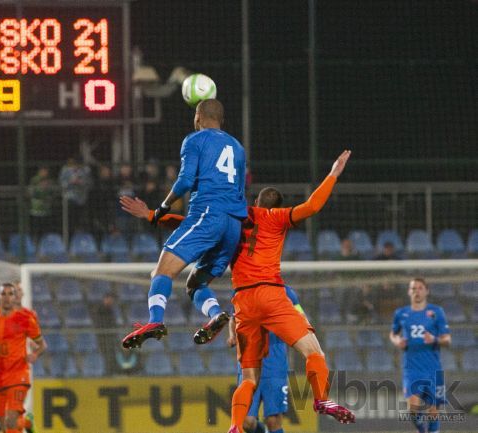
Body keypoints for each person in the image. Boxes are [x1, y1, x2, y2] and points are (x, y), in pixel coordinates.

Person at [120, 150, 356, 429]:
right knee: (313, 351)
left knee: (248, 379)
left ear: (255, 202)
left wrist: (150, 214)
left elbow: (189, 224)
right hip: (272, 294)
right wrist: (333, 174)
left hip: (243, 302)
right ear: (278, 208)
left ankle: (234, 427)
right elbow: (313, 206)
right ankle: (321, 399)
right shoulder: (279, 220)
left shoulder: (237, 218)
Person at [121, 99, 248, 349]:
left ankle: (155, 321)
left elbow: (185, 180)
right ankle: (214, 315)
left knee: (161, 271)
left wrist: (162, 207)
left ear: (198, 117)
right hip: (233, 224)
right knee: (195, 283)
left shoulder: (194, 140)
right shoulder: (238, 147)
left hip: (208, 214)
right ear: (221, 120)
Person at [227, 286, 306, 433]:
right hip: (248, 366)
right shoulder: (242, 289)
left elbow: (302, 318)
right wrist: (232, 336)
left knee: (273, 421)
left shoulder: (286, 292)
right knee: (246, 422)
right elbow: (233, 318)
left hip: (275, 365)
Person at [0, 283, 46, 433]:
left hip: (19, 372)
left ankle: (22, 422)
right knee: (4, 427)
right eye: (4, 294)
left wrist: (34, 353)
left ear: (16, 297)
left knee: (10, 419)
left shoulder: (27, 317)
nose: (7, 298)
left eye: (11, 294)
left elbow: (40, 343)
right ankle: (26, 423)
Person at [389, 278, 451, 433]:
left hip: (433, 368)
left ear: (427, 291)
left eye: (420, 288)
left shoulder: (436, 312)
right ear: (409, 292)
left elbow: (447, 339)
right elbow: (393, 334)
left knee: (433, 412)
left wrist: (434, 339)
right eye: (413, 288)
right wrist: (397, 341)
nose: (417, 291)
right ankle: (422, 430)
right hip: (412, 369)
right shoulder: (401, 313)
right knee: (413, 408)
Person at [59, 157, 92, 231]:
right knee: (70, 219)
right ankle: (70, 233)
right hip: (69, 199)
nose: (75, 167)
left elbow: (90, 184)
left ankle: (81, 233)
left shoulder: (86, 170)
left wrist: (81, 182)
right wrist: (70, 182)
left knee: (82, 219)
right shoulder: (65, 171)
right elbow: (61, 184)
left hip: (82, 199)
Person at [29, 166, 58, 241]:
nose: (44, 173)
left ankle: (45, 244)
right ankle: (35, 243)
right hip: (35, 209)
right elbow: (31, 192)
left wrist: (49, 197)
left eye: (46, 171)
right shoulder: (34, 180)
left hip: (46, 210)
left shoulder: (50, 181)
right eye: (43, 171)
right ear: (40, 171)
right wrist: (40, 189)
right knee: (35, 228)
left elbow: (53, 193)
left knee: (45, 229)